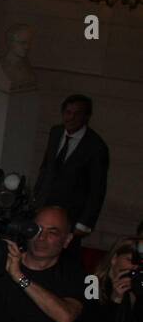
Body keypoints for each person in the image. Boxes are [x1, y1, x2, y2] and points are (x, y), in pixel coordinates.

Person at [31, 94, 109, 255]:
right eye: (68, 112)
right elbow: (46, 167)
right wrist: (36, 198)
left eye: (77, 113)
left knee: (64, 255)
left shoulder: (96, 146)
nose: (71, 118)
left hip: (71, 214)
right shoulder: (56, 132)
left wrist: (85, 223)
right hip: (44, 207)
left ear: (86, 116)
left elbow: (97, 189)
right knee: (36, 249)